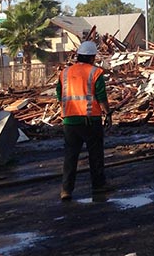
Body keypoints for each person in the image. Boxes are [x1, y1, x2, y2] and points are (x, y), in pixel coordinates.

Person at [57, 40, 112, 201]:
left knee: (70, 156)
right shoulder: (95, 72)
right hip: (90, 120)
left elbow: (59, 94)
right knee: (95, 154)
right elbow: (101, 96)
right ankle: (98, 185)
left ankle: (66, 190)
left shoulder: (65, 73)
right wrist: (108, 114)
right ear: (92, 57)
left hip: (69, 122)